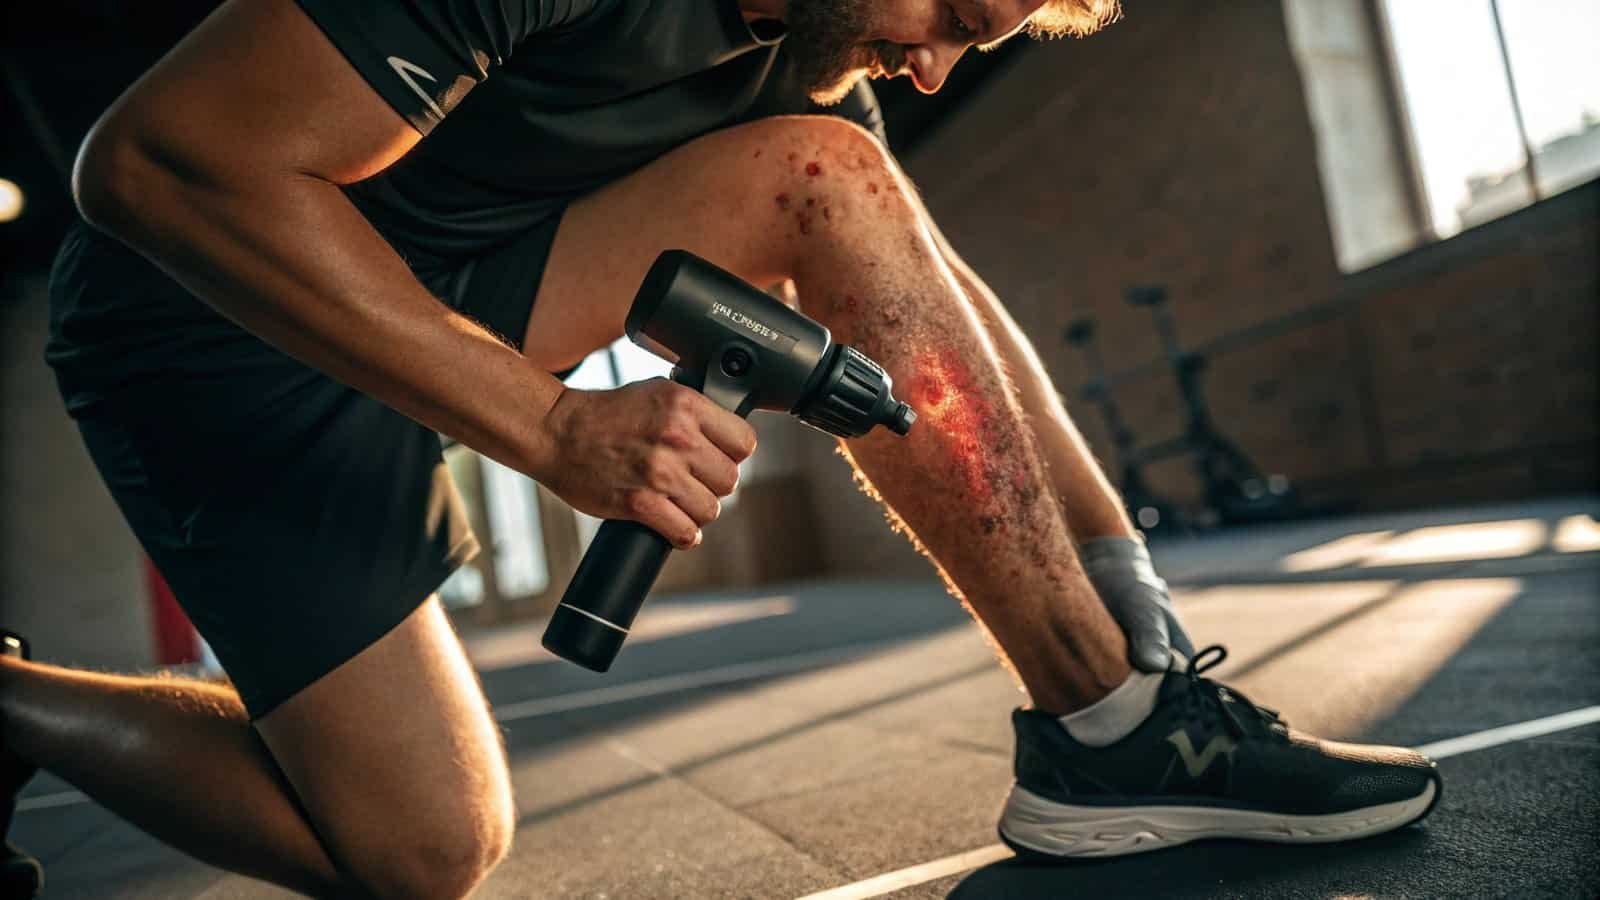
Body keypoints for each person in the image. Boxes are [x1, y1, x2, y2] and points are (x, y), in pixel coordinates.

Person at [2, 0, 1442, 896]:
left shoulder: (806, 65)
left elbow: (947, 303)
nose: (934, 66)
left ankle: (1117, 711)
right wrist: (552, 424)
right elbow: (155, 164)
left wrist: (1122, 566)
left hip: (456, 288)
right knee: (829, 177)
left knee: (423, 856)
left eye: (975, 44)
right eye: (951, 14)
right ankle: (1109, 736)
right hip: (207, 322)